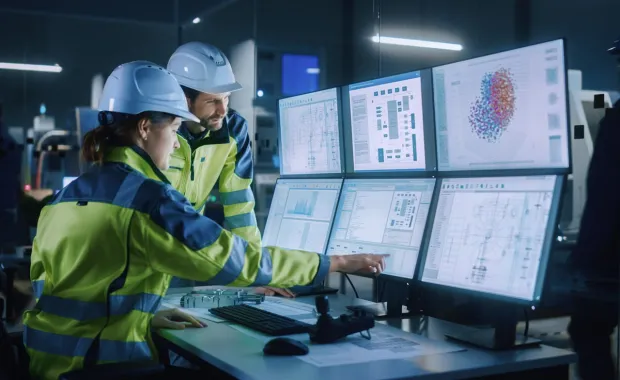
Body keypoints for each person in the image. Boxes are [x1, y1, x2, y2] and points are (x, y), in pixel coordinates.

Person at [21, 61, 387, 380]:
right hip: (104, 366)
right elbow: (231, 258)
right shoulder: (147, 201)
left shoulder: (64, 199)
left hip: (48, 365)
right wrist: (333, 263)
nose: (177, 143)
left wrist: (143, 317)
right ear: (146, 127)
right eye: (174, 128)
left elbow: (65, 291)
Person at [164, 42, 294, 296]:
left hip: (183, 255)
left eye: (226, 98)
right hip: (143, 253)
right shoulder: (158, 131)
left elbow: (239, 207)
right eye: (212, 101)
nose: (223, 110)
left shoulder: (233, 130)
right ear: (183, 99)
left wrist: (256, 273)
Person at [567, 38, 620, 380]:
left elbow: (605, 197)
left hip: (610, 261)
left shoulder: (614, 123)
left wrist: (582, 260)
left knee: (588, 328)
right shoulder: (606, 111)